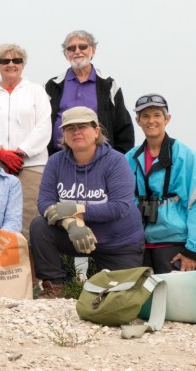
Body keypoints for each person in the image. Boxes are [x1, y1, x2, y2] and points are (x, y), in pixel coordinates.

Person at [30, 107, 145, 299]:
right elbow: (45, 203)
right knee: (39, 226)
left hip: (118, 242)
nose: (76, 132)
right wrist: (72, 223)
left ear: (96, 131)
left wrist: (77, 209)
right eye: (69, 128)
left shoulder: (116, 161)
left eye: (82, 126)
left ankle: (95, 283)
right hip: (76, 235)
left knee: (118, 298)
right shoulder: (55, 162)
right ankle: (55, 287)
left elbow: (120, 206)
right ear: (63, 134)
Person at [0, 44, 51, 241]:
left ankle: (32, 270)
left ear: (23, 64)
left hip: (31, 166)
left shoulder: (36, 91)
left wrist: (20, 152)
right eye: (5, 61)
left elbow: (43, 126)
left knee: (30, 223)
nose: (11, 64)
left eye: (16, 60)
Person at [128, 94, 196, 273]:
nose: (151, 121)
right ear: (138, 121)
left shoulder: (186, 156)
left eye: (157, 115)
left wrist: (193, 251)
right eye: (145, 116)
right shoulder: (129, 159)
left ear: (167, 119)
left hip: (176, 246)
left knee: (181, 301)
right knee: (145, 301)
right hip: (139, 247)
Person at [46, 30, 134, 154]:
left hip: (102, 159)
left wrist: (119, 159)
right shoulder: (52, 86)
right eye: (71, 48)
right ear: (65, 54)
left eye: (83, 46)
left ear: (93, 50)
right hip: (60, 159)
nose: (77, 51)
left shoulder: (109, 85)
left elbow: (124, 128)